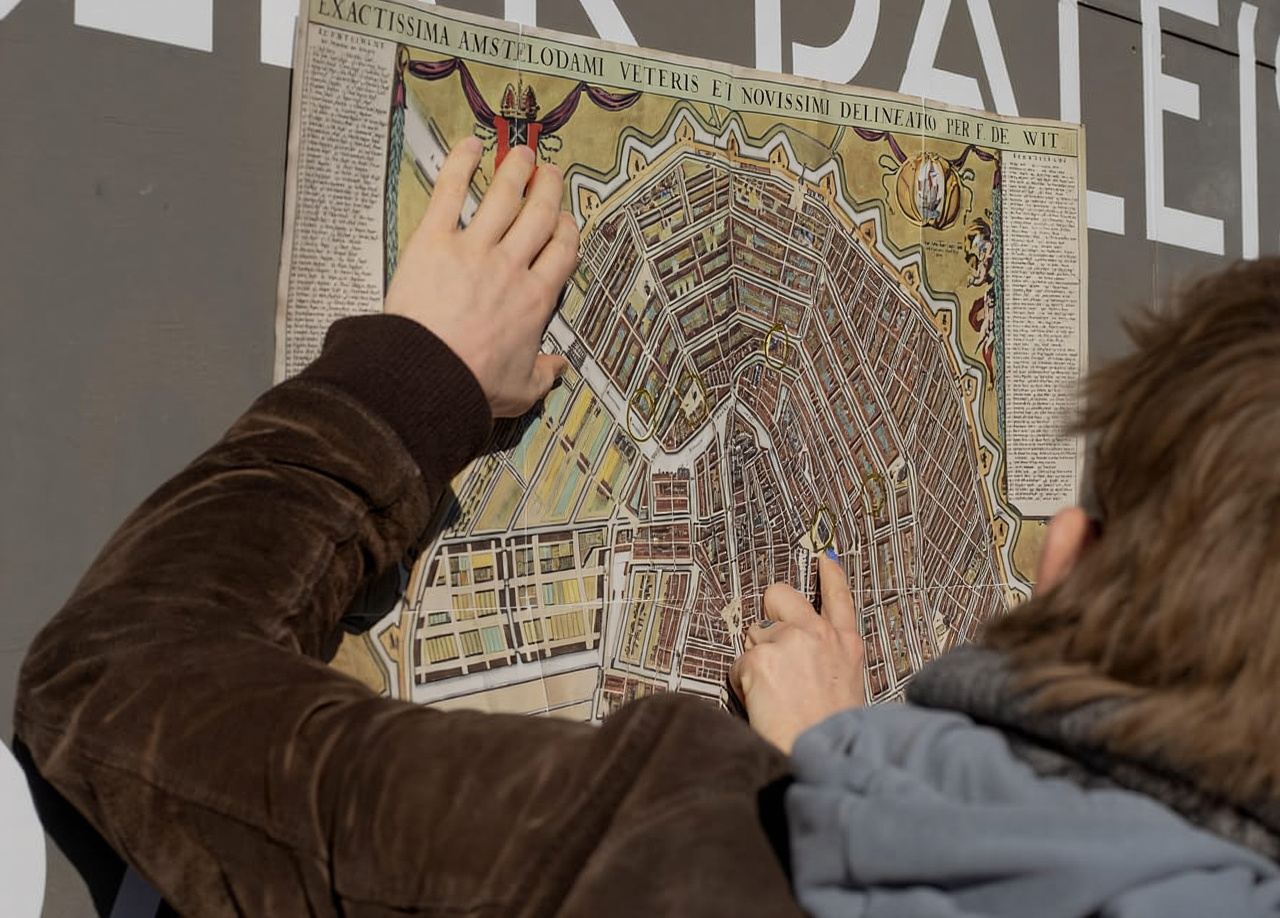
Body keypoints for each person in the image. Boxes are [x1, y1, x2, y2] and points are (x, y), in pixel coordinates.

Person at [14, 139, 1280, 916]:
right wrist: (853, 772)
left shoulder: (665, 854)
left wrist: (411, 379)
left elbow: (121, 685)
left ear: (1067, 559)